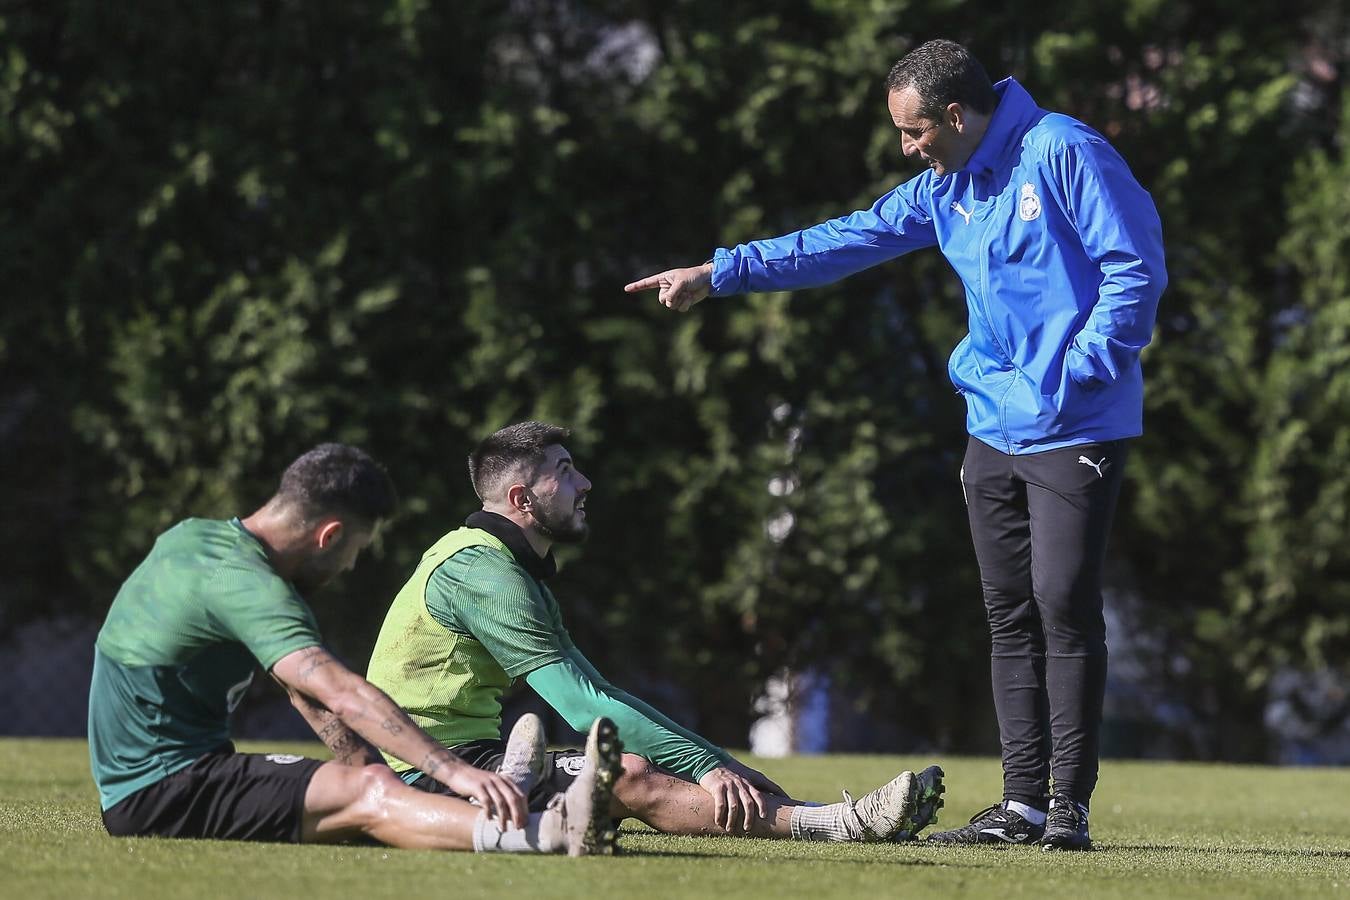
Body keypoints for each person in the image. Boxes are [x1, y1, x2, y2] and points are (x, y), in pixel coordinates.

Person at [624, 39, 1167, 851]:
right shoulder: (945, 188)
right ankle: (1020, 808)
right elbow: (845, 239)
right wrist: (720, 272)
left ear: (955, 115)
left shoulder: (1063, 149)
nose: (909, 150)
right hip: (992, 425)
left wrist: (1075, 372)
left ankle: (1069, 810)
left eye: (914, 133)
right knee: (1009, 616)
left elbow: (1135, 268)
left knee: (1064, 606)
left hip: (1076, 424)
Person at [365, 421, 946, 843]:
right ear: (521, 499)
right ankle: (840, 824)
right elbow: (578, 704)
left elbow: (601, 693)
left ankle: (818, 816)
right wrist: (707, 766)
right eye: (565, 473)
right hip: (426, 771)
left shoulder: (510, 567)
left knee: (631, 759)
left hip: (469, 755)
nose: (586, 483)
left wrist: (714, 759)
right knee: (626, 772)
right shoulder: (485, 573)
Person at [88, 442, 618, 856]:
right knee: (367, 799)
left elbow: (300, 690)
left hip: (164, 780)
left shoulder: (196, 539)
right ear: (330, 535)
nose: (350, 567)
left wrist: (370, 764)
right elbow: (337, 690)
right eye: (356, 551)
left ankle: (509, 794)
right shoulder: (249, 585)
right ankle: (551, 829)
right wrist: (451, 770)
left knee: (370, 788)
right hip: (161, 793)